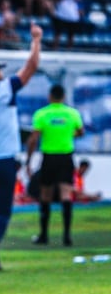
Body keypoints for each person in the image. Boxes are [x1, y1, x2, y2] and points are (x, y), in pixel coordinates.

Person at [0, 23, 43, 272]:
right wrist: (36, 40)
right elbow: (31, 67)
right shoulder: (5, 89)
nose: (2, 75)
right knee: (2, 212)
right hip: (4, 160)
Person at [26, 84, 84, 246]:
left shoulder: (42, 114)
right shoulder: (72, 113)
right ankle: (67, 236)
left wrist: (29, 160)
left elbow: (34, 139)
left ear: (50, 96)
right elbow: (81, 132)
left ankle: (44, 235)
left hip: (49, 157)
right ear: (63, 97)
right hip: (66, 157)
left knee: (45, 195)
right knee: (66, 194)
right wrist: (68, 133)